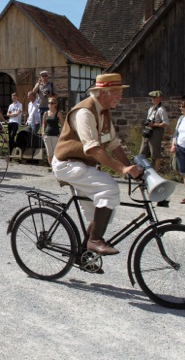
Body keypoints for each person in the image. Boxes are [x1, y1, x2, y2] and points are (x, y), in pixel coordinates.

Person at [52, 73, 141, 255]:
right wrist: (121, 169)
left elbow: (113, 144)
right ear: (104, 93)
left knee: (102, 212)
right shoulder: (84, 112)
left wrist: (132, 169)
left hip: (83, 166)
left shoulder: (104, 112)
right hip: (68, 164)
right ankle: (94, 241)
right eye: (117, 92)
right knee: (109, 188)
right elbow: (93, 149)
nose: (120, 97)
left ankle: (82, 254)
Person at [139, 90, 170, 172]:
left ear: (159, 98)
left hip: (156, 132)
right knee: (142, 153)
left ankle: (156, 172)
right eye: (151, 97)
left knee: (155, 154)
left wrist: (153, 125)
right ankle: (143, 172)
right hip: (147, 132)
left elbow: (166, 123)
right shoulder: (151, 108)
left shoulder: (161, 109)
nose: (152, 99)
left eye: (154, 97)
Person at [41, 98, 64, 171]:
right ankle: (51, 166)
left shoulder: (58, 113)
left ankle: (55, 165)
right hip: (47, 134)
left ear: (55, 104)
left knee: (55, 151)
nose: (50, 104)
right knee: (49, 152)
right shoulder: (45, 113)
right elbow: (44, 123)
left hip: (55, 134)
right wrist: (43, 132)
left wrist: (60, 134)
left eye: (52, 103)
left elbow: (63, 125)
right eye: (49, 103)